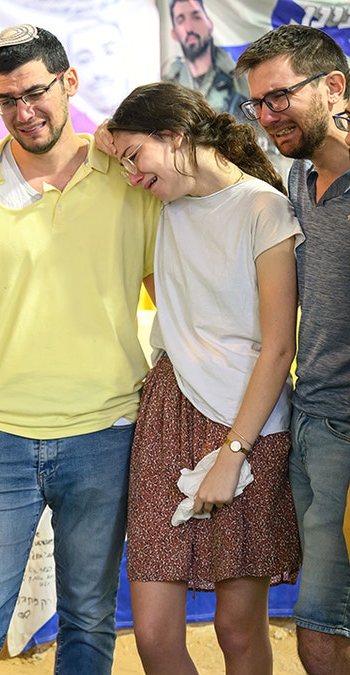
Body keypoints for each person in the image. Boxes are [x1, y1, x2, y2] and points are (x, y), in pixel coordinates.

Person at [0, 24, 158, 674]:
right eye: (6, 99)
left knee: (88, 622)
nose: (23, 111)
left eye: (34, 92)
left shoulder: (129, 177)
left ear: (69, 83)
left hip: (105, 434)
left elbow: (170, 292)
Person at [105, 81, 301, 675]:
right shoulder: (159, 199)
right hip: (168, 412)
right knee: (155, 633)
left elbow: (278, 346)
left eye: (136, 157)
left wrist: (232, 454)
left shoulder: (264, 207)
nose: (130, 175)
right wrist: (122, 145)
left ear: (175, 137)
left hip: (250, 422)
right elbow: (98, 141)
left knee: (237, 629)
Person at [236, 24, 350, 675]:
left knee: (320, 633)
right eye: (259, 103)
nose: (268, 115)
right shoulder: (300, 179)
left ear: (334, 86)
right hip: (310, 417)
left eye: (280, 97)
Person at [162, 0, 249, 119]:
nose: (189, 28)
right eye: (181, 20)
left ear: (209, 24)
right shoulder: (169, 85)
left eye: (196, 17)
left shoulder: (239, 78)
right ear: (174, 34)